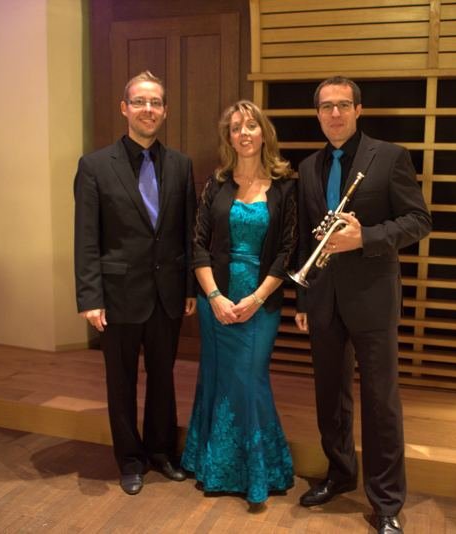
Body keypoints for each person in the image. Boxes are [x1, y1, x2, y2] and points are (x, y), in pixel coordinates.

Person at [294, 76, 432, 534]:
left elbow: (419, 220)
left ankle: (387, 501)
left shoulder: (389, 157)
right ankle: (339, 474)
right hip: (323, 298)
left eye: (343, 105)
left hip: (373, 298)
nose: (334, 113)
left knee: (380, 403)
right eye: (326, 106)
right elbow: (306, 238)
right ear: (317, 113)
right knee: (329, 397)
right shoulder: (308, 167)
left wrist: (365, 238)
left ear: (358, 109)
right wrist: (303, 296)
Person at [74, 70, 197, 495]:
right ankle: (129, 459)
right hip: (117, 295)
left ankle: (161, 451)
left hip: (167, 295)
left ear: (165, 111)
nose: (149, 109)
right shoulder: (94, 166)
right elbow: (86, 237)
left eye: (156, 102)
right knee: (121, 381)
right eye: (140, 102)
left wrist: (188, 288)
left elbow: (186, 232)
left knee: (163, 377)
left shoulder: (181, 165)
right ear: (124, 108)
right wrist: (90, 297)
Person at [181, 100, 296, 507]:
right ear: (228, 137)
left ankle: (261, 471)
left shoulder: (285, 186)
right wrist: (213, 296)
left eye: (250, 125)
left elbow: (287, 250)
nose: (243, 133)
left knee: (250, 379)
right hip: (215, 298)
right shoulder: (216, 183)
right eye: (235, 128)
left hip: (260, 301)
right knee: (216, 377)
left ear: (264, 132)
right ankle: (214, 465)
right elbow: (197, 244)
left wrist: (257, 297)